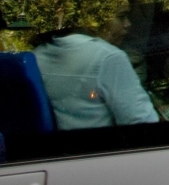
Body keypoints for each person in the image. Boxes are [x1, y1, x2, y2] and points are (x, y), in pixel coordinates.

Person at [32, 16, 161, 130]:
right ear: (91, 20)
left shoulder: (38, 54)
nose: (128, 24)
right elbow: (142, 123)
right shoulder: (108, 57)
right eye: (121, 16)